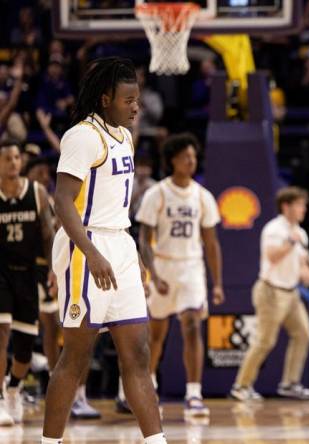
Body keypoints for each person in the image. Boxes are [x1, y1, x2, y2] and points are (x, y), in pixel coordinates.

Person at [43, 57, 165, 444]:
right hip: (86, 245)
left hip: (120, 242)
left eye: (138, 99)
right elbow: (63, 202)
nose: (135, 107)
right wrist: (92, 253)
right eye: (128, 99)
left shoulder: (125, 137)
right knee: (76, 357)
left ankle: (156, 441)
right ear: (105, 97)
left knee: (138, 354)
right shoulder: (82, 136)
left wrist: (136, 257)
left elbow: (118, 204)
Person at [134, 133, 224, 416]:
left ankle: (194, 394)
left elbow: (211, 243)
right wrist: (152, 274)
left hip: (191, 268)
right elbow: (144, 239)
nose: (191, 161)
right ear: (173, 160)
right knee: (156, 335)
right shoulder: (156, 193)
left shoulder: (202, 195)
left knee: (191, 326)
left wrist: (218, 283)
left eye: (194, 157)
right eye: (186, 156)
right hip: (162, 265)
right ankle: (149, 386)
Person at [231, 187, 309, 401]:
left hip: (291, 292)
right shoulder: (274, 229)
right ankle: (241, 386)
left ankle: (290, 383)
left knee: (303, 334)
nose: (304, 209)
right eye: (299, 204)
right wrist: (290, 242)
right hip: (270, 290)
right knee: (265, 341)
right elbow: (272, 256)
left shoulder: (301, 233)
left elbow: (301, 267)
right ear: (286, 206)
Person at [0, 141, 55, 424]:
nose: (13, 162)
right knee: (2, 328)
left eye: (16, 158)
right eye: (7, 158)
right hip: (0, 272)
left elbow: (48, 235)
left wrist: (54, 270)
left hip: (28, 273)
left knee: (24, 345)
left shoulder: (37, 193)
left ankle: (13, 388)